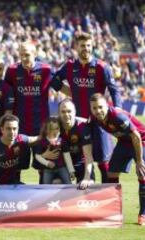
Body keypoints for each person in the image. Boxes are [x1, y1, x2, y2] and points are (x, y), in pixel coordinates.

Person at [51, 32, 123, 183]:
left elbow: (114, 90)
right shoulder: (70, 66)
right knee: (82, 160)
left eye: (89, 45)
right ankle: (88, 201)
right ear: (76, 47)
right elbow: (54, 80)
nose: (86, 48)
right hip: (78, 123)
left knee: (104, 161)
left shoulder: (102, 67)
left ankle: (108, 199)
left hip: (99, 121)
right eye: (83, 45)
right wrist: (70, 92)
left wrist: (117, 110)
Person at [5, 41, 61, 182]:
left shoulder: (46, 70)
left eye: (27, 54)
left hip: (41, 127)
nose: (24, 58)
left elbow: (60, 87)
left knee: (43, 162)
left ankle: (42, 195)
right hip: (19, 128)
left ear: (35, 55)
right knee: (16, 164)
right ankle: (15, 195)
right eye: (22, 54)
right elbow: (6, 93)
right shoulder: (11, 71)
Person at [89, 93, 145, 226]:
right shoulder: (94, 118)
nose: (98, 111)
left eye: (100, 107)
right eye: (94, 108)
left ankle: (143, 214)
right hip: (124, 141)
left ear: (107, 105)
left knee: (142, 174)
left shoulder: (117, 116)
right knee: (111, 174)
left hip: (141, 140)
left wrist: (139, 161)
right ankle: (114, 212)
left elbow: (136, 136)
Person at [0, 114, 39, 188]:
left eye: (14, 129)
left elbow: (37, 138)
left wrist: (52, 137)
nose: (12, 132)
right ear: (2, 129)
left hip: (12, 185)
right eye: (8, 128)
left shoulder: (21, 139)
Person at [58, 99, 95, 189]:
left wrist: (86, 178)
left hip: (82, 163)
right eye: (63, 112)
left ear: (75, 112)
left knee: (87, 185)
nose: (66, 114)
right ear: (58, 113)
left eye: (69, 111)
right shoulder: (54, 125)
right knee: (56, 183)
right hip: (63, 164)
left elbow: (88, 157)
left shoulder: (82, 127)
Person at [34, 117, 75, 184]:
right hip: (48, 170)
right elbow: (37, 156)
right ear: (46, 130)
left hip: (61, 168)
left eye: (57, 128)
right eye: (52, 129)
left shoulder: (62, 141)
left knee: (68, 183)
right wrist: (47, 163)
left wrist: (71, 171)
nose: (55, 131)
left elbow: (67, 156)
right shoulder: (43, 142)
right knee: (46, 185)